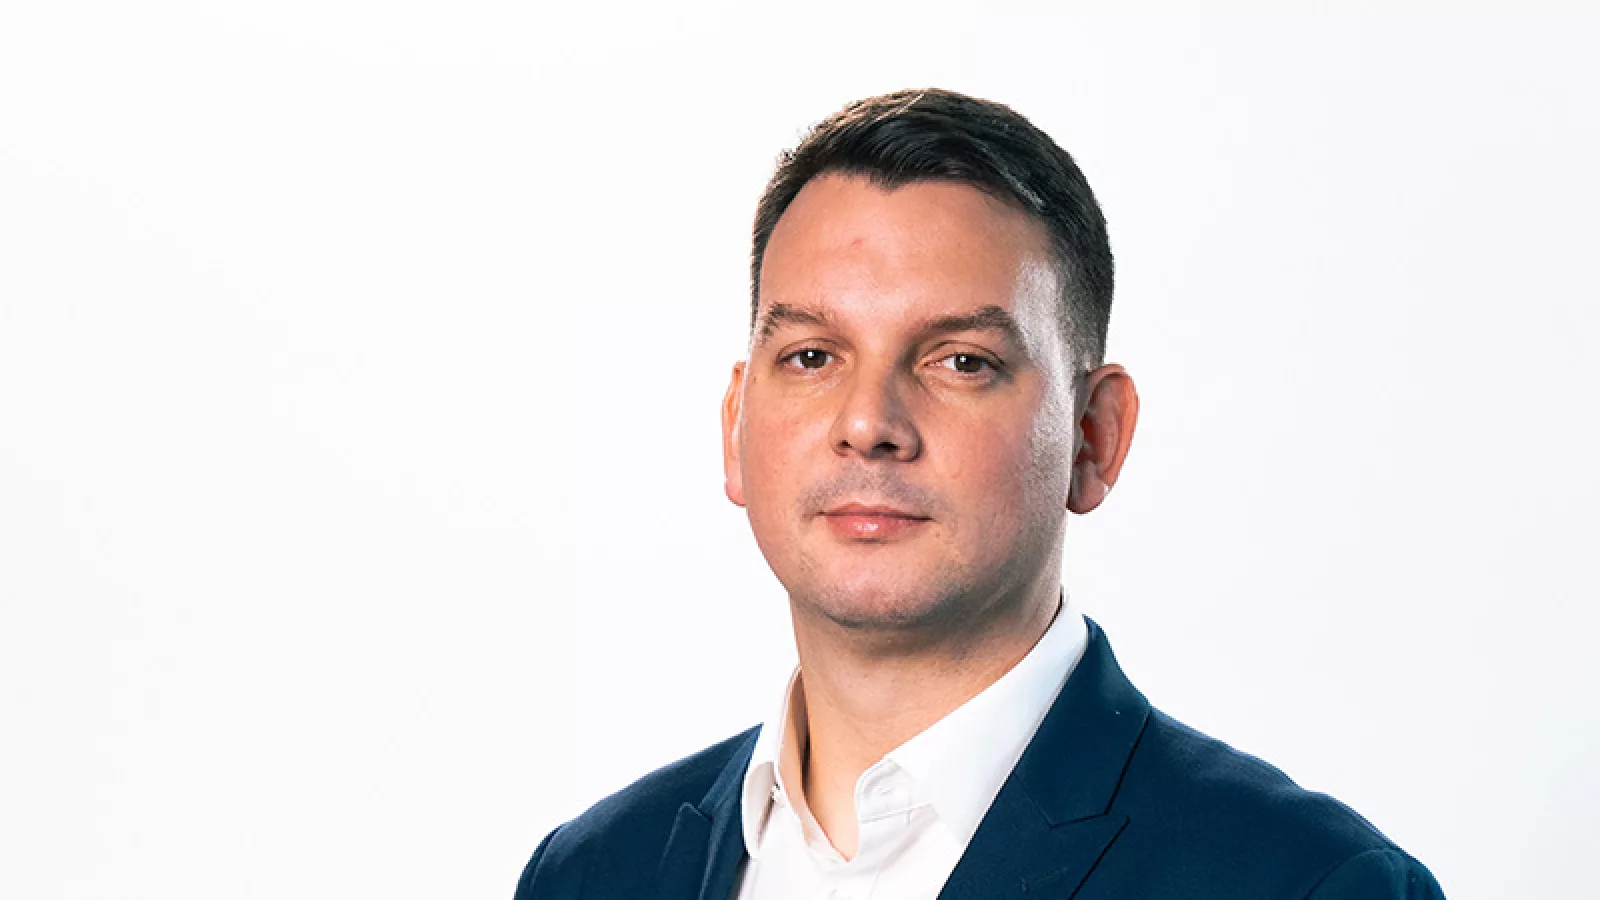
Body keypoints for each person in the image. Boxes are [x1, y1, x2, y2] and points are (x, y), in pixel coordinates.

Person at [513, 88, 1444, 899]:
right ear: (736, 426)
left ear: (1094, 436)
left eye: (960, 361)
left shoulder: (1308, 883)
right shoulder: (592, 872)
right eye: (811, 356)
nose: (868, 422)